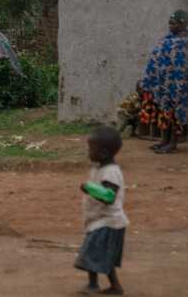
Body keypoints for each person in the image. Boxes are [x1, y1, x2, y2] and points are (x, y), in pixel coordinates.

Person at [75, 126, 128, 295]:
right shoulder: (100, 168)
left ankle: (93, 285)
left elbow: (109, 196)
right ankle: (115, 286)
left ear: (103, 152)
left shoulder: (111, 172)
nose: (88, 151)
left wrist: (89, 188)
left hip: (108, 222)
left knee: (92, 253)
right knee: (103, 256)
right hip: (102, 221)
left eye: (91, 149)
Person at [138, 9, 188, 154]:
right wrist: (148, 79)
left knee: (176, 113)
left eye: (174, 23)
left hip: (179, 85)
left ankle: (173, 143)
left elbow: (187, 65)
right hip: (163, 84)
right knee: (164, 112)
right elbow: (156, 60)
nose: (171, 26)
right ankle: (164, 141)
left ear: (184, 24)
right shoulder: (166, 39)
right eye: (170, 23)